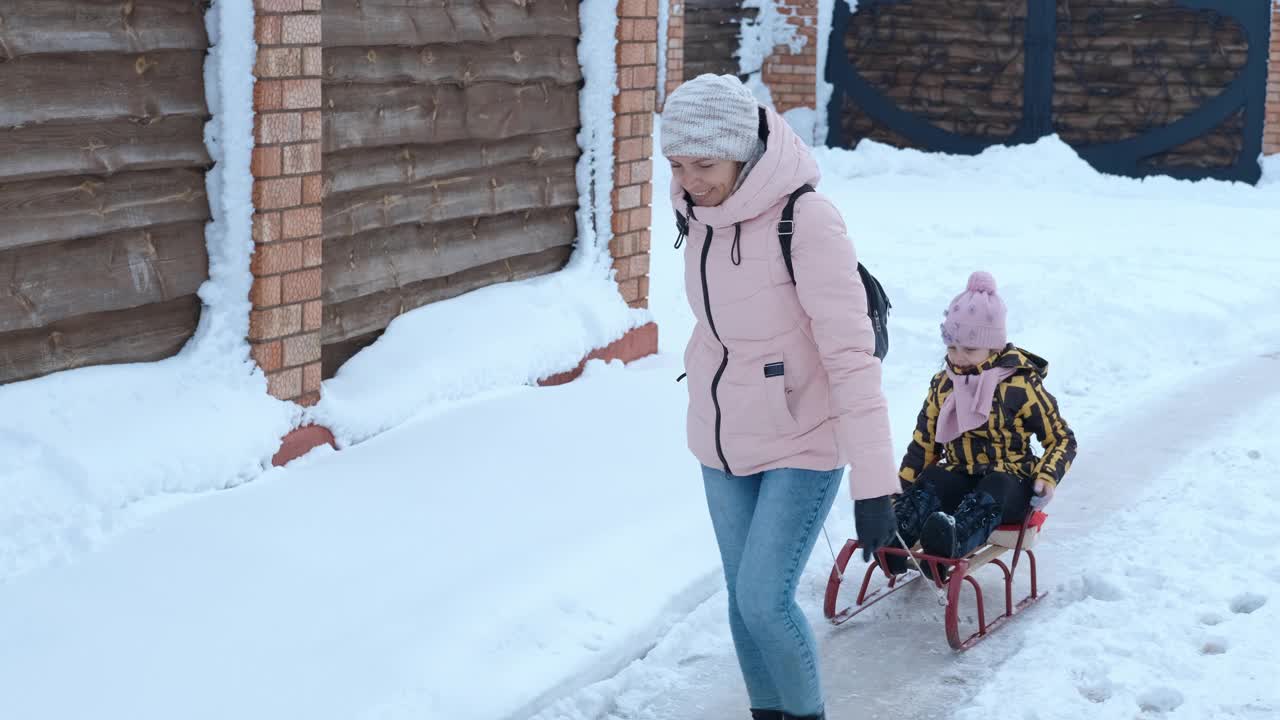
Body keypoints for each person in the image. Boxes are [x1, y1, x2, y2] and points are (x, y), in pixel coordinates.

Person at [661, 73, 899, 720]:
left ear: (743, 150)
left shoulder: (808, 220)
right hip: (721, 431)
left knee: (765, 599)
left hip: (804, 437)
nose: (687, 179)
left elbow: (851, 359)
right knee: (743, 603)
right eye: (676, 164)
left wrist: (875, 487)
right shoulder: (697, 211)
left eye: (704, 164)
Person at [885, 271, 1078, 578]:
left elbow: (1062, 439)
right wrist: (900, 492)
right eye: (951, 348)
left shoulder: (1019, 385)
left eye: (969, 350)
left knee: (995, 485)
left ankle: (948, 543)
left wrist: (1047, 477)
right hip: (962, 477)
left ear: (994, 348)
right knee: (936, 477)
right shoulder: (944, 385)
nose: (958, 358)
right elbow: (924, 445)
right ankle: (898, 533)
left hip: (1011, 485)